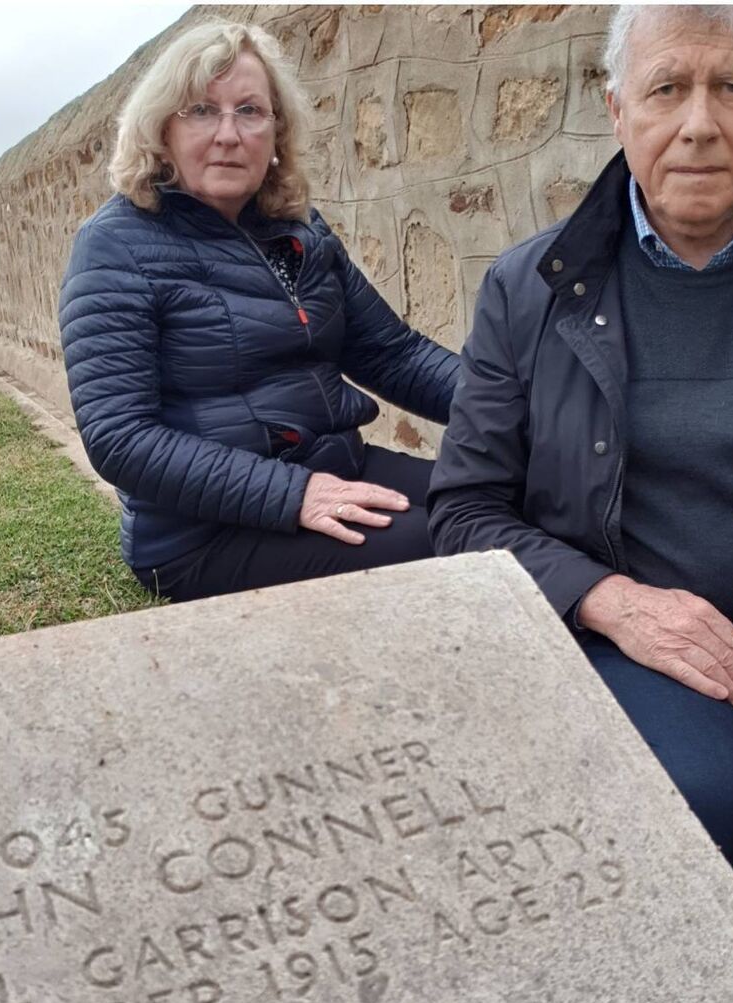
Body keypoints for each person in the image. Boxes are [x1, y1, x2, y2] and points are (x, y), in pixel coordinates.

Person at [428, 3, 733, 892]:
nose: (698, 124)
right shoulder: (529, 288)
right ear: (620, 112)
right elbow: (464, 511)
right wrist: (611, 601)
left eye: (731, 87)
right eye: (667, 89)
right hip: (640, 643)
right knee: (709, 804)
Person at [59, 21, 460, 603]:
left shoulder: (300, 228)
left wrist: (519, 408)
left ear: (277, 131)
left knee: (511, 498)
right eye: (200, 110)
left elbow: (390, 353)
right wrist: (294, 495)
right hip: (204, 533)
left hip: (339, 468)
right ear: (161, 129)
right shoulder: (116, 246)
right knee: (472, 542)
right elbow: (121, 436)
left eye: (250, 111)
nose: (228, 133)